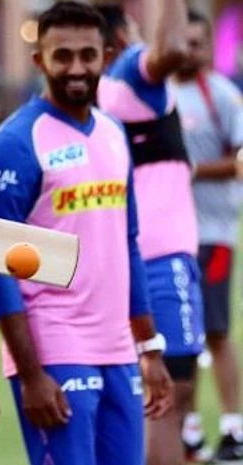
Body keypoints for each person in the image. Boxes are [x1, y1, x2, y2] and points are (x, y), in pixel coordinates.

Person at [0, 3, 174, 465]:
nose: (76, 68)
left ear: (105, 57)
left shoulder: (113, 132)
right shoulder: (16, 142)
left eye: (87, 55)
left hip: (118, 349)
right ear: (39, 61)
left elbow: (127, 243)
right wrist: (31, 374)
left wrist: (148, 347)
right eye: (62, 56)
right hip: (54, 347)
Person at [95, 2, 207, 464]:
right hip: (160, 259)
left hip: (132, 256)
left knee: (149, 395)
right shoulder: (130, 73)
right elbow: (174, 49)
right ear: (122, 36)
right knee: (167, 396)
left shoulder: (106, 91)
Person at [172, 9, 243, 463]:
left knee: (215, 330)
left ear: (210, 47)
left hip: (213, 231)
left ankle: (235, 428)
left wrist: (189, 169)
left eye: (198, 43)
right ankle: (190, 428)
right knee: (182, 334)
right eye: (185, 42)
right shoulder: (157, 94)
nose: (190, 51)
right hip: (169, 235)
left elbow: (239, 161)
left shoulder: (221, 95)